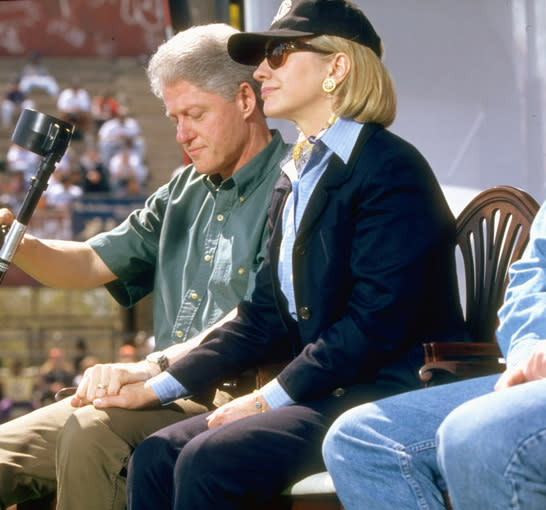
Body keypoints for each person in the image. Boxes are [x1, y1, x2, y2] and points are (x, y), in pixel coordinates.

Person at [114, 2, 468, 508]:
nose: (260, 70)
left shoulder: (390, 169)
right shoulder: (297, 172)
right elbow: (263, 316)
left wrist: (267, 398)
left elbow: (374, 326)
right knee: (155, 455)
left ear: (336, 67)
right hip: (330, 385)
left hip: (386, 391)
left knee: (207, 459)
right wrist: (160, 385)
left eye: (278, 53)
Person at [0, 23, 288, 510]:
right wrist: (17, 240)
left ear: (245, 99)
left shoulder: (292, 185)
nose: (182, 136)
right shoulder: (181, 191)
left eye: (194, 115)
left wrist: (148, 368)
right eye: (173, 118)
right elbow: (90, 261)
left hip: (230, 394)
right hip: (156, 390)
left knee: (93, 433)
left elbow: (259, 315)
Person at [322, 199, 546, 510]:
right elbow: (533, 275)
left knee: (475, 435)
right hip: (531, 371)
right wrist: (525, 357)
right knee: (359, 440)